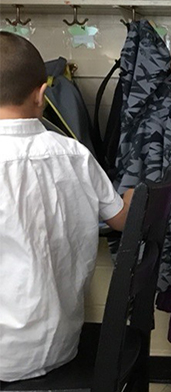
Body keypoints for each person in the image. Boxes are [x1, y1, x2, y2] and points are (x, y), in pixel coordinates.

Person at [0, 31, 133, 382]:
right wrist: (138, 193)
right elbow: (121, 220)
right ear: (42, 94)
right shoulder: (74, 155)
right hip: (61, 344)